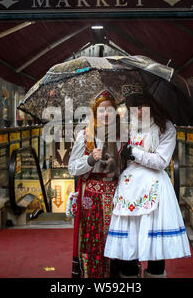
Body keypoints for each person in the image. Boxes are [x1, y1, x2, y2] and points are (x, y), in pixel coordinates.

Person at [104, 85, 191, 278]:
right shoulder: (129, 126)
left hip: (154, 188)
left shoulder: (166, 128)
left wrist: (134, 153)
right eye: (134, 107)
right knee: (127, 247)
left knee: (155, 249)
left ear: (152, 105)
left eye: (142, 106)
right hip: (129, 188)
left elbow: (161, 161)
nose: (138, 111)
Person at [68, 90, 124, 278]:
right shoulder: (85, 136)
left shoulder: (122, 137)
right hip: (91, 197)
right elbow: (72, 168)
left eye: (109, 110)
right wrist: (90, 160)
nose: (105, 114)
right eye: (101, 110)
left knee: (118, 242)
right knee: (93, 240)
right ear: (94, 113)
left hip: (117, 196)